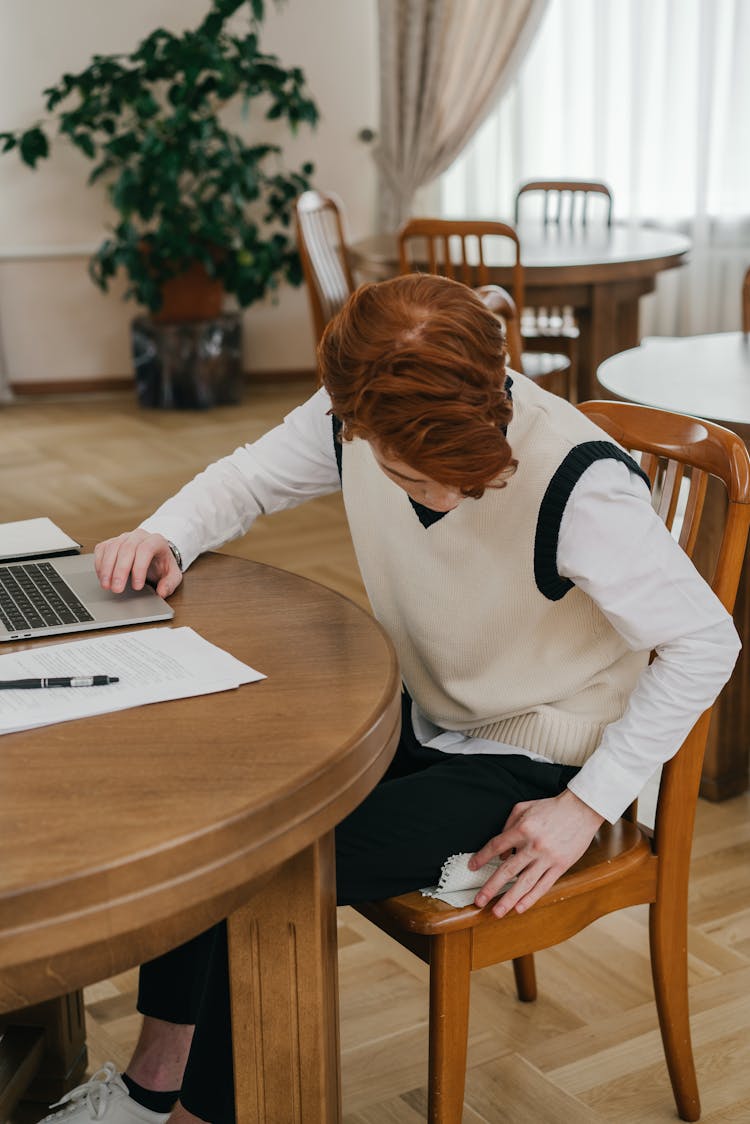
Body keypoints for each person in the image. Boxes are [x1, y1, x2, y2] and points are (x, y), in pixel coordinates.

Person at [42, 274, 739, 1124]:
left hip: (541, 754)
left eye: (453, 472)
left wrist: (587, 805)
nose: (442, 494)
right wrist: (166, 532)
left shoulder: (582, 488)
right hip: (424, 712)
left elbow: (707, 643)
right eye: (412, 475)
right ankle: (154, 1088)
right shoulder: (354, 411)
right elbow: (249, 478)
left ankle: (190, 1113)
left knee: (263, 864)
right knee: (222, 812)